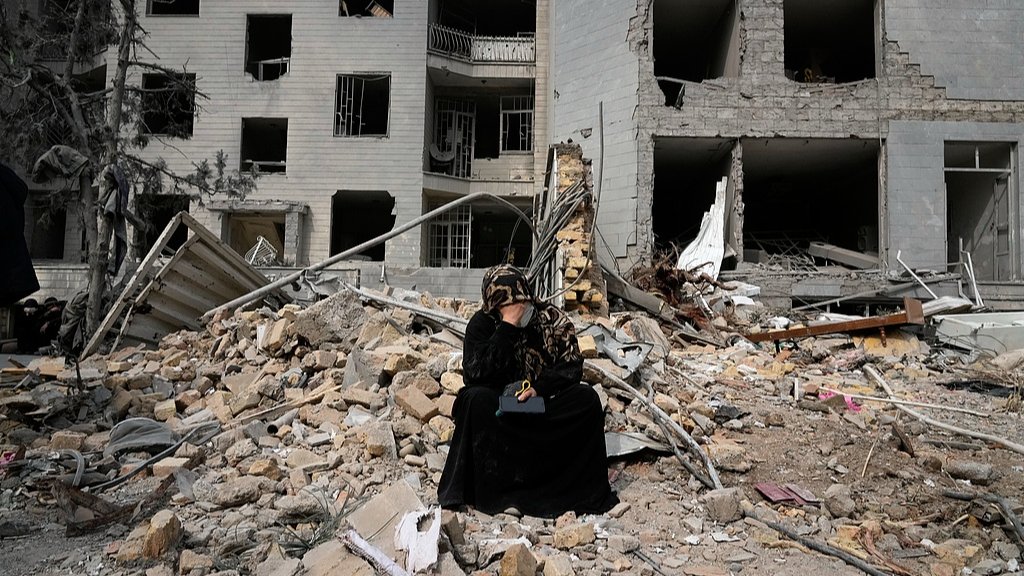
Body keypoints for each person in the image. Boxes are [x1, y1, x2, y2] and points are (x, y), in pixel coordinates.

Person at [437, 264, 618, 518]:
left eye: (520, 303)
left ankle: (570, 491)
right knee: (473, 399)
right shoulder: (481, 325)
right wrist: (508, 327)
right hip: (503, 416)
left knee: (586, 399)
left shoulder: (552, 320)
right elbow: (475, 374)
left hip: (543, 410)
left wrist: (539, 388)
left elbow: (571, 366)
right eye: (507, 306)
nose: (517, 309)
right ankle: (494, 492)